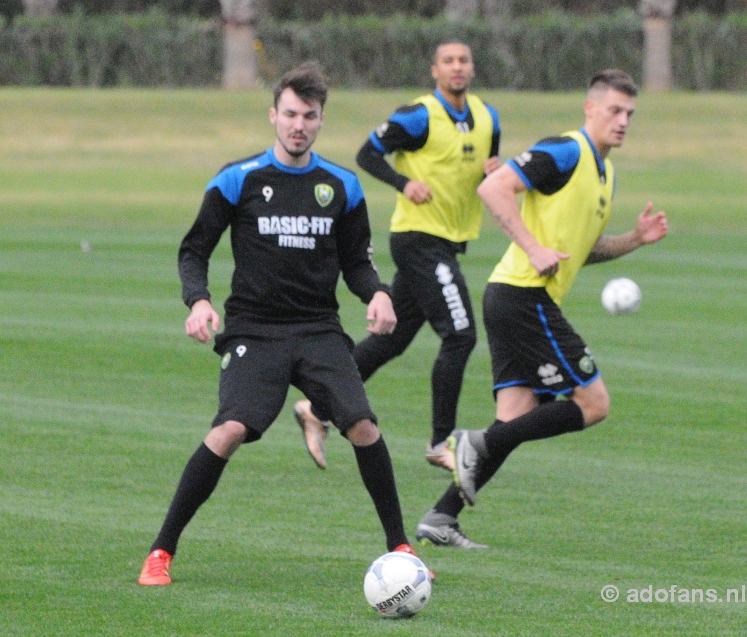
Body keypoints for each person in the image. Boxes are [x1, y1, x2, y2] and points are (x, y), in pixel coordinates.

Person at [138, 62, 423, 586]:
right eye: (290, 113)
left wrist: (379, 292)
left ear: (320, 121)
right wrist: (197, 301)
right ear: (274, 115)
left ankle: (402, 548)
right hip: (253, 330)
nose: (298, 124)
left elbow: (357, 262)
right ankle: (160, 552)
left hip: (318, 329)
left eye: (309, 116)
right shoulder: (238, 179)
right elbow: (194, 249)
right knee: (228, 431)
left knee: (363, 426)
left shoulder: (342, 186)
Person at [415, 69, 668, 549]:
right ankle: (474, 444)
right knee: (594, 404)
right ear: (590, 108)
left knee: (515, 417)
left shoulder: (605, 172)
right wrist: (532, 248)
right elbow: (494, 189)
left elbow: (582, 249)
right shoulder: (565, 150)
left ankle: (441, 517)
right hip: (521, 296)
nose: (622, 121)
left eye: (629, 114)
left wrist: (635, 239)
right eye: (614, 110)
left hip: (517, 297)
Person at [293, 41, 502, 478]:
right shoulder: (419, 115)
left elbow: (487, 167)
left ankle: (316, 408)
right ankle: (440, 442)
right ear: (434, 70)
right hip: (418, 238)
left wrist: (495, 172)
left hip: (447, 240)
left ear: (472, 67)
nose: (457, 67)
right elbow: (367, 154)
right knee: (460, 335)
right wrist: (404, 183)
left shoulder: (487, 117)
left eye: (464, 59)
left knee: (391, 341)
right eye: (448, 61)